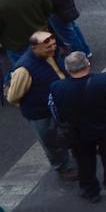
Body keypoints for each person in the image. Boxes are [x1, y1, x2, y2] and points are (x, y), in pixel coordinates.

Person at [49, 51, 106, 201]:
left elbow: (54, 111)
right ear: (87, 64)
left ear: (67, 69)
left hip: (78, 132)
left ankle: (90, 190)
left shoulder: (56, 87)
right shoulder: (104, 80)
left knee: (84, 160)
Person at [6, 30, 76, 181]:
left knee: (69, 129)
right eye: (47, 47)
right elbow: (13, 96)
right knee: (50, 141)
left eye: (53, 44)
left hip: (60, 104)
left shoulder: (54, 52)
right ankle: (62, 167)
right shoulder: (24, 69)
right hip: (41, 112)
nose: (52, 48)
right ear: (34, 48)